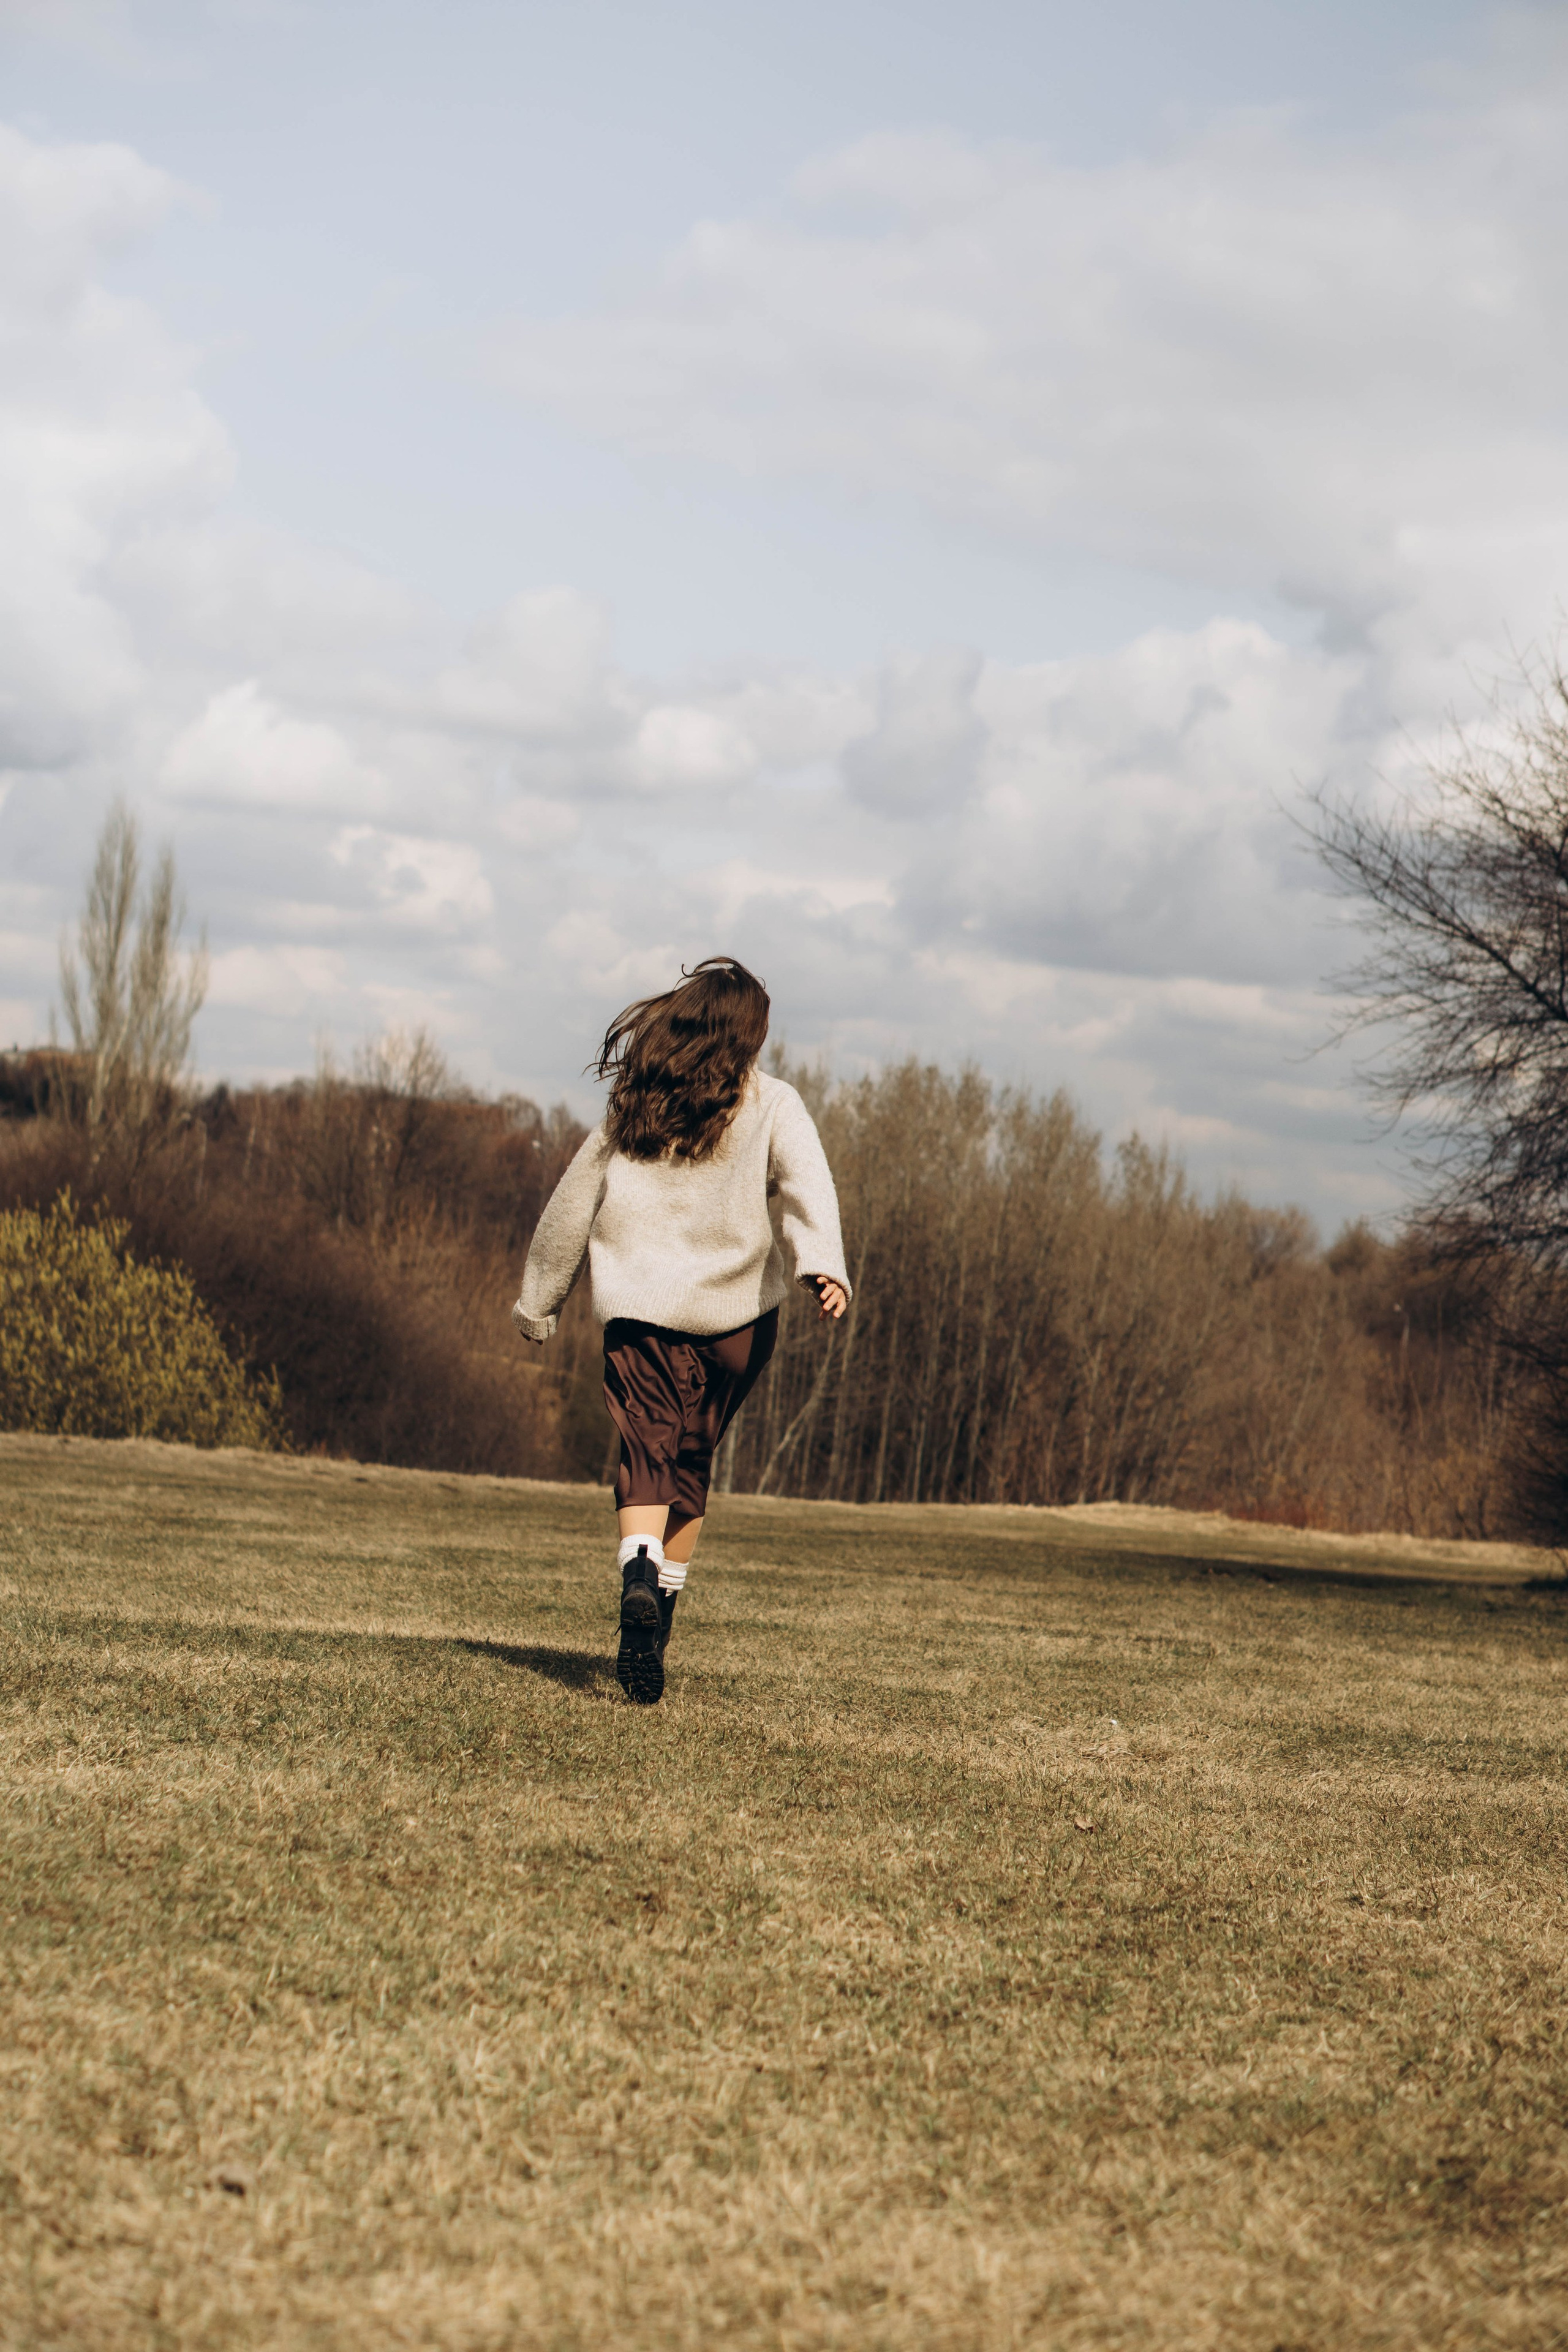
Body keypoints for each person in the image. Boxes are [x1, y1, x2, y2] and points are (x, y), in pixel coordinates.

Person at [513, 958, 850, 1703]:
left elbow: (572, 1203)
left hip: (642, 1314)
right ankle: (656, 1622)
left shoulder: (637, 1103)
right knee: (692, 1462)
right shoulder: (773, 1101)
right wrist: (821, 1264)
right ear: (749, 1034)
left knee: (647, 1452)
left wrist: (540, 1299)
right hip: (738, 1321)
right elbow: (809, 1184)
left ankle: (637, 1573)